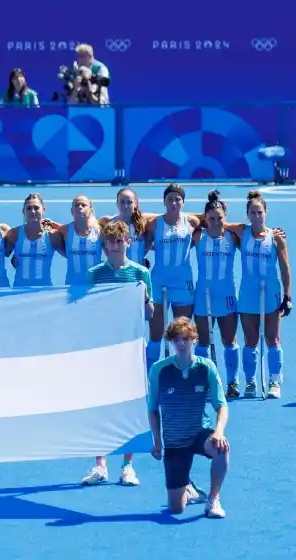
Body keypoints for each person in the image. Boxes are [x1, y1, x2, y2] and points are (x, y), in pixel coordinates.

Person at [80, 220, 153, 487]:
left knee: (129, 408)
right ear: (105, 246)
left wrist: (144, 299)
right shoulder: (94, 274)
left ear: (128, 243)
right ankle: (100, 464)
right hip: (102, 350)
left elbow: (149, 314)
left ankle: (127, 465)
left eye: (120, 241)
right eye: (111, 242)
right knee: (100, 406)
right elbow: (87, 311)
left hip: (130, 350)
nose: (116, 245)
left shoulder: (140, 274)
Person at [148, 317, 229, 519]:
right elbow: (152, 409)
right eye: (176, 340)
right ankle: (189, 489)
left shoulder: (206, 367)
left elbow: (222, 406)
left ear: (194, 339)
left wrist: (219, 431)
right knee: (176, 509)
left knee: (222, 447)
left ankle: (213, 500)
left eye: (185, 339)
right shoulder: (159, 370)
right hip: (174, 442)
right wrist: (157, 440)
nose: (181, 344)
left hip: (200, 433)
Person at [235, 191, 292, 399]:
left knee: (273, 338)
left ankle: (274, 380)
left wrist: (288, 296)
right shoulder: (241, 232)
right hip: (248, 293)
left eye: (260, 212)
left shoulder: (276, 238)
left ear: (266, 213)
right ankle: (250, 381)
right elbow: (217, 222)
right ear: (247, 215)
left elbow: (285, 268)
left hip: (271, 292)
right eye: (253, 212)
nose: (257, 216)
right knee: (250, 339)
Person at [143, 184, 202, 371]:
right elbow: (142, 241)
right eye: (170, 199)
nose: (174, 202)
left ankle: (185, 368)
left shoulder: (192, 222)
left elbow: (214, 222)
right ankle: (151, 373)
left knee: (183, 331)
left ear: (183, 202)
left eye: (178, 199)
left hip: (182, 282)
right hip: (159, 280)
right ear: (164, 202)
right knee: (156, 331)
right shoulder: (154, 223)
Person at [193, 191, 241, 398]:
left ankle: (232, 382)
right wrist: (201, 219)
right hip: (203, 297)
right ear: (205, 219)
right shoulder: (198, 236)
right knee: (203, 342)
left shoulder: (233, 237)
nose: (215, 222)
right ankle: (203, 381)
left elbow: (255, 232)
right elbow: (182, 219)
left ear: (225, 218)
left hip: (227, 295)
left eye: (220, 218)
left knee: (229, 340)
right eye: (210, 218)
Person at [48, 195, 103, 285]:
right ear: (72, 211)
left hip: (94, 287)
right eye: (76, 205)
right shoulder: (66, 230)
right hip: (72, 287)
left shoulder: (99, 231)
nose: (80, 207)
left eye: (83, 205)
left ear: (90, 210)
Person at [5, 193, 56, 287]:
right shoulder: (14, 234)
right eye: (29, 208)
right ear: (23, 211)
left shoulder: (52, 236)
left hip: (46, 294)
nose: (33, 211)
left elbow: (71, 254)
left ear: (43, 210)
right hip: (19, 293)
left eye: (36, 208)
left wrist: (55, 224)